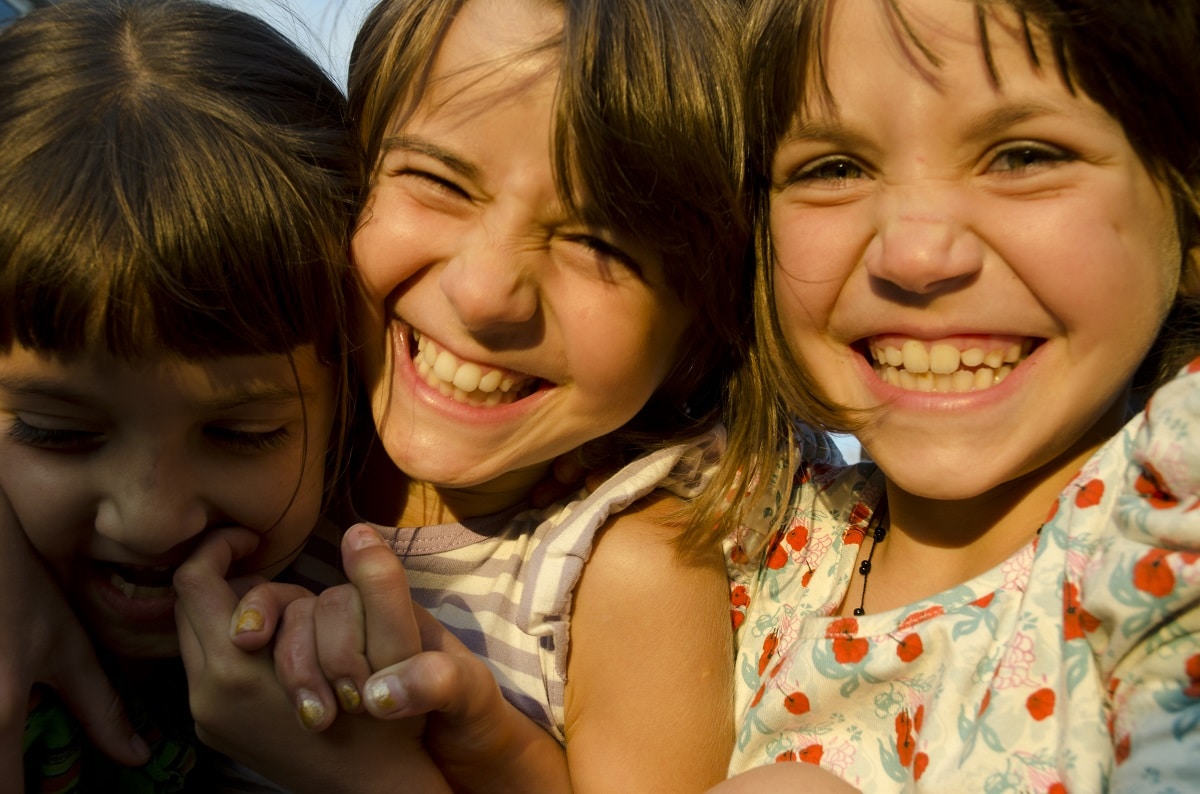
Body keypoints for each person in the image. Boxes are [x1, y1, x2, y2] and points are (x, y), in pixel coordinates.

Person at [172, 0, 750, 791]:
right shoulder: (257, 411)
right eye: (438, 181)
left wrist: (370, 778)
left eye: (596, 242)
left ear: (702, 331)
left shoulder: (628, 574)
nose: (485, 295)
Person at [707, 0, 1200, 791]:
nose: (915, 250)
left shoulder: (1171, 511)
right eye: (834, 169)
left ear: (1184, 195)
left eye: (1023, 156)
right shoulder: (746, 534)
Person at [0, 0, 361, 788]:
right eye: (53, 431)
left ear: (349, 399)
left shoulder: (401, 643)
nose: (151, 520)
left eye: (244, 433)